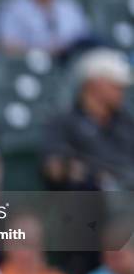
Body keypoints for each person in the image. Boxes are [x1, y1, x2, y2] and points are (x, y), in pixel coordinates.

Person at [43, 48, 134, 190]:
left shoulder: (126, 122)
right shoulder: (63, 122)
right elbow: (54, 168)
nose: (121, 91)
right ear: (95, 84)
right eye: (115, 85)